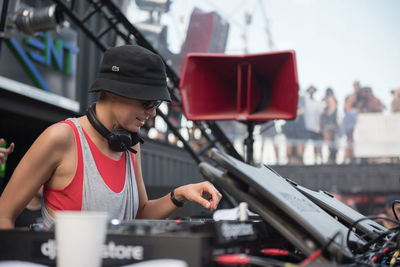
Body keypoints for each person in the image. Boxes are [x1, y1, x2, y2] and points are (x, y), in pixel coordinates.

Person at [0, 45, 222, 229]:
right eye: (148, 102)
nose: (153, 112)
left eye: (156, 104)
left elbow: (139, 216)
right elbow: (4, 215)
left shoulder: (130, 145)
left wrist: (180, 194)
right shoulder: (60, 138)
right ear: (114, 93)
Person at [321, 88, 338, 164]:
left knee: (331, 143)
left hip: (330, 125)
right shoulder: (331, 100)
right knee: (330, 143)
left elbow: (329, 112)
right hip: (330, 125)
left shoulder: (331, 100)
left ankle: (332, 158)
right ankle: (331, 158)